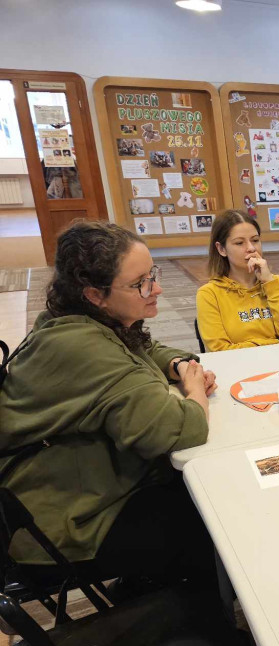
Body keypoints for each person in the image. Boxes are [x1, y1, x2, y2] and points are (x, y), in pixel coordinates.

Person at [0, 220, 217, 586]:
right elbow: (178, 431)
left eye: (153, 274)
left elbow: (141, 347)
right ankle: (192, 626)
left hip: (64, 489)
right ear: (94, 295)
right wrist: (194, 389)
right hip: (61, 525)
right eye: (140, 284)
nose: (157, 288)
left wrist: (178, 364)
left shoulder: (71, 321)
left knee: (194, 494)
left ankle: (153, 592)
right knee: (211, 519)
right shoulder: (83, 347)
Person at [196, 210, 279, 351]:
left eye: (255, 240)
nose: (251, 248)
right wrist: (277, 344)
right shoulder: (209, 294)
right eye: (239, 243)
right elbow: (220, 350)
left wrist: (269, 283)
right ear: (221, 249)